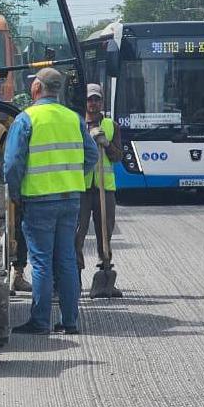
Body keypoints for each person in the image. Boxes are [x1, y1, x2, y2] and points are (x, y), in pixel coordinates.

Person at [4, 67, 97, 335]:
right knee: (66, 258)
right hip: (71, 200)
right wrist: (72, 177)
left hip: (39, 200)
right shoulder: (74, 119)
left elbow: (12, 164)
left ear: (36, 88)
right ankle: (69, 321)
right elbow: (91, 156)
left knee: (42, 260)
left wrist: (15, 192)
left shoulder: (26, 119)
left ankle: (40, 321)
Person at [77, 83, 122, 297]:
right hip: (82, 189)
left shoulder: (111, 125)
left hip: (105, 189)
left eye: (96, 99)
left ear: (102, 101)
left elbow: (117, 156)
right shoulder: (76, 124)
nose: (92, 104)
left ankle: (105, 272)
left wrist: (105, 143)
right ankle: (74, 276)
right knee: (77, 233)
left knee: (105, 231)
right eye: (89, 100)